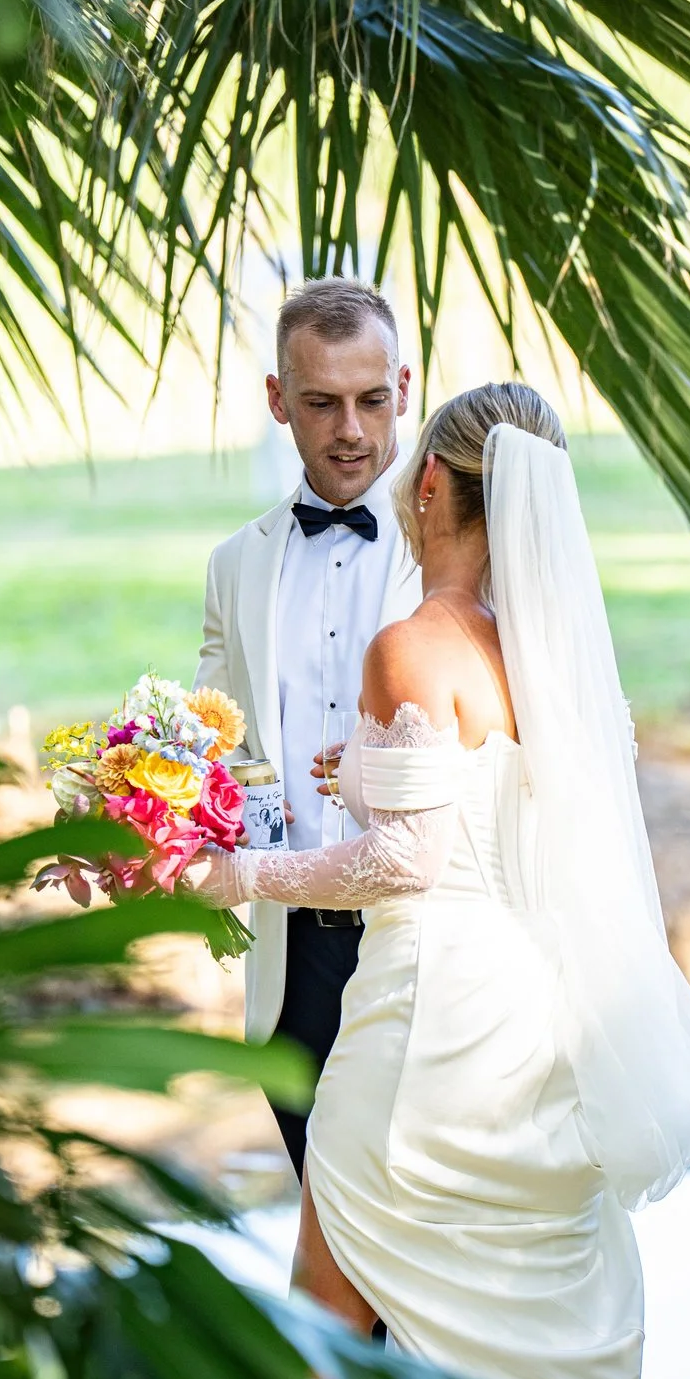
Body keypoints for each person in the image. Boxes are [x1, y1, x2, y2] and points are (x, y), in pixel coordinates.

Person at [188, 383, 690, 1379]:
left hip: (420, 1021)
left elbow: (404, 860)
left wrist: (238, 876)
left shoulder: (408, 645)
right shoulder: (547, 664)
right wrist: (373, 769)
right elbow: (507, 819)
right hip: (532, 1024)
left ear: (430, 483)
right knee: (460, 1316)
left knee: (326, 1328)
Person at [195, 278, 422, 1176]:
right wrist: (131, 827)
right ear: (278, 400)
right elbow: (217, 757)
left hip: (420, 955)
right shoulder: (233, 568)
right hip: (291, 965)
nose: (352, 431)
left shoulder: (459, 550)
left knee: (412, 1254)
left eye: (372, 400)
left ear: (404, 388)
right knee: (330, 1242)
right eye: (321, 403)